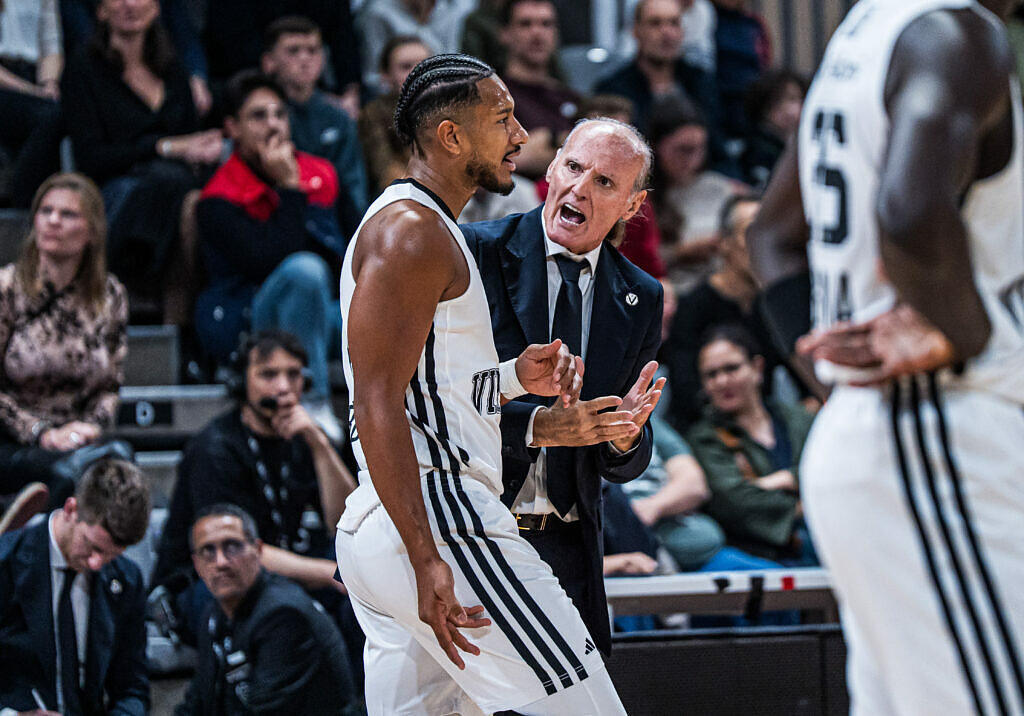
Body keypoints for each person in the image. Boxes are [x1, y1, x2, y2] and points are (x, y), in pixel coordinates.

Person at [747, 0, 1024, 712]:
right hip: (939, 433)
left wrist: (834, 380)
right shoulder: (957, 32)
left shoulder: (866, 33)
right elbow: (909, 217)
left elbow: (771, 237)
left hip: (885, 437)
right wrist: (973, 342)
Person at [337, 53, 631, 715]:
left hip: (389, 522)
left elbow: (420, 390)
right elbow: (375, 400)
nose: (522, 136)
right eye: (503, 119)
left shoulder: (422, 226)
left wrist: (504, 378)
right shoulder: (413, 233)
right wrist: (425, 555)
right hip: (441, 522)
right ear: (451, 136)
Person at [461, 117, 665, 656]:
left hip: (571, 548)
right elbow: (441, 396)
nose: (579, 187)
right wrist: (539, 428)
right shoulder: (475, 254)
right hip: (480, 535)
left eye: (604, 182)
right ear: (551, 169)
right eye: (574, 167)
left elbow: (622, 457)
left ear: (631, 205)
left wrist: (623, 436)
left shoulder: (640, 295)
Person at [152, 330, 356, 647]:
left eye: (293, 374)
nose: (284, 387)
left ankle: (358, 696)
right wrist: (328, 572)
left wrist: (319, 446)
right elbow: (232, 548)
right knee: (278, 602)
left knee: (362, 578)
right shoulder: (215, 448)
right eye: (269, 375)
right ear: (241, 382)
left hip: (278, 569)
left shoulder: (304, 438)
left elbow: (346, 522)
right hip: (209, 578)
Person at [194, 70, 344, 430]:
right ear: (232, 128)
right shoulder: (217, 197)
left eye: (279, 114)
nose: (273, 125)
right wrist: (290, 190)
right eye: (258, 116)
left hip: (325, 309)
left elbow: (354, 244)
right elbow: (267, 262)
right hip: (254, 314)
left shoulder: (321, 172)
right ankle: (312, 403)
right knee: (303, 272)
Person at [60, 0, 221, 324]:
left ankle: (180, 325)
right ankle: (166, 312)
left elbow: (191, 137)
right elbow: (91, 157)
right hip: (115, 190)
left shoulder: (173, 69)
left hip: (175, 190)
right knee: (174, 192)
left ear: (157, 7)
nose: (129, 5)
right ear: (100, 10)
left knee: (197, 202)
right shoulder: (84, 68)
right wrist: (162, 148)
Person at [0, 173, 127, 512]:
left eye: (68, 214)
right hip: (12, 441)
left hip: (77, 439)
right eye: (46, 211)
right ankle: (42, 556)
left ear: (92, 230)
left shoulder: (110, 295)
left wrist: (89, 427)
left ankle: (110, 565)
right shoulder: (7, 289)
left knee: (121, 465)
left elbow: (111, 385)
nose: (53, 221)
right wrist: (41, 433)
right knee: (71, 473)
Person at [175, 504, 360, 716]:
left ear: (258, 550)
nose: (221, 562)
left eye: (232, 546)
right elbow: (197, 701)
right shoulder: (214, 614)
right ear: (196, 564)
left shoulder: (283, 615)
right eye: (208, 551)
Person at [0, 458, 151, 715]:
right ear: (71, 509)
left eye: (111, 555)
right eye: (92, 546)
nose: (96, 564)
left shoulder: (127, 579)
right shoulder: (6, 564)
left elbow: (132, 689)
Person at [685, 324, 816, 563]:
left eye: (731, 368)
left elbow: (833, 469)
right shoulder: (705, 437)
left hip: (826, 530)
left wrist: (787, 478)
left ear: (757, 367)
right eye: (711, 374)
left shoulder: (800, 419)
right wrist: (807, 503)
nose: (722, 381)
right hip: (763, 553)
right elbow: (736, 502)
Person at [261, 15, 369, 238]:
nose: (305, 59)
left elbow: (353, 186)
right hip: (277, 219)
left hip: (334, 220)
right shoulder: (262, 115)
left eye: (313, 50)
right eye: (293, 51)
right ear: (269, 62)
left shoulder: (338, 117)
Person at [648, 95, 748, 295]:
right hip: (667, 293)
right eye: (683, 150)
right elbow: (631, 260)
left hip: (720, 292)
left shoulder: (722, 188)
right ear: (658, 146)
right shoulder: (640, 196)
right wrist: (682, 252)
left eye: (700, 149)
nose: (692, 159)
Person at [594, 0, 720, 143]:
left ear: (682, 32)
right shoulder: (612, 90)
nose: (667, 33)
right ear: (636, 30)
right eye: (655, 23)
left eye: (674, 23)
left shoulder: (701, 82)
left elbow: (716, 146)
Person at [498, 0, 579, 179]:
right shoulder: (492, 96)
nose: (537, 33)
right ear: (504, 33)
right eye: (525, 24)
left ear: (556, 33)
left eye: (546, 24)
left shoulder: (571, 98)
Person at [0, 0, 64, 208]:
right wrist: (32, 92)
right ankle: (25, 203)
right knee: (48, 116)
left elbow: (52, 43)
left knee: (59, 111)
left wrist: (49, 83)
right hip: (6, 80)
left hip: (33, 76)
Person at [358, 35, 434, 194]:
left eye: (425, 64)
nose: (418, 72)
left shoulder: (453, 105)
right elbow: (387, 174)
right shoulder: (374, 114)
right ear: (386, 75)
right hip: (408, 197)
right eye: (406, 66)